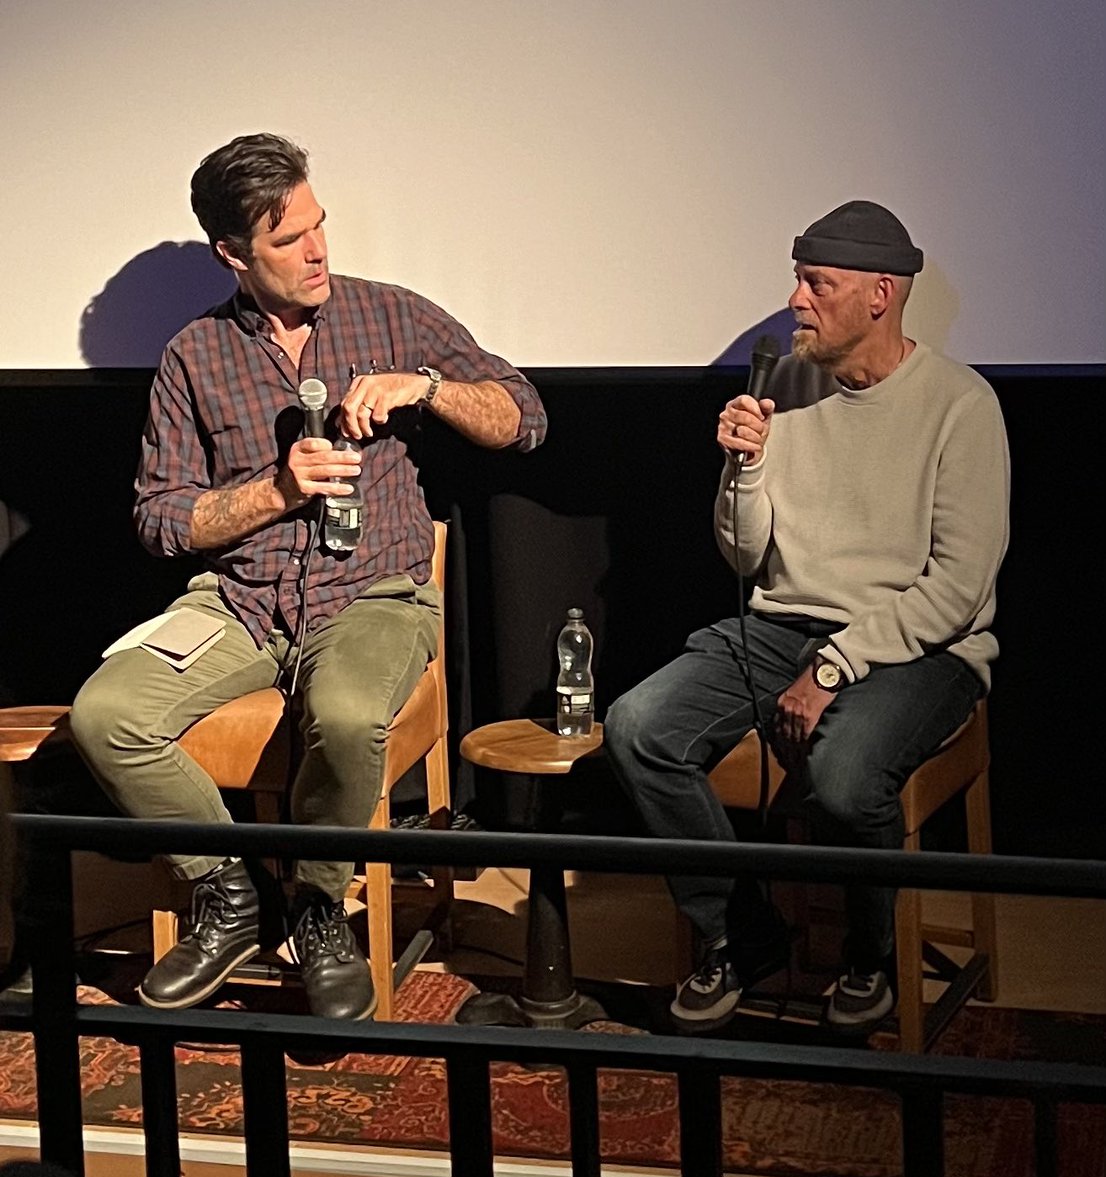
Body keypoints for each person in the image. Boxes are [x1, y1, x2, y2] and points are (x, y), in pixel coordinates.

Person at [69, 133, 547, 1022]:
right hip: (243, 602)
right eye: (289, 241)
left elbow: (524, 417)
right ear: (234, 255)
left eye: (318, 226)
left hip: (373, 592)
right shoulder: (194, 357)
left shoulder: (392, 315)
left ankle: (320, 909)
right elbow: (161, 518)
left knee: (348, 712)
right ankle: (228, 894)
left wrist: (427, 387)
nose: (319, 250)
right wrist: (275, 491)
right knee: (105, 716)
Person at [604, 200, 1009, 1035]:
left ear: (880, 296)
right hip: (784, 622)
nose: (796, 301)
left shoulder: (961, 406)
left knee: (846, 775)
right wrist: (744, 469)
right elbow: (747, 559)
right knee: (639, 726)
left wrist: (836, 668)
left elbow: (959, 588)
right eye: (797, 280)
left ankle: (869, 955)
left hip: (919, 645)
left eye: (817, 284)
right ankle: (743, 935)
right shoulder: (783, 385)